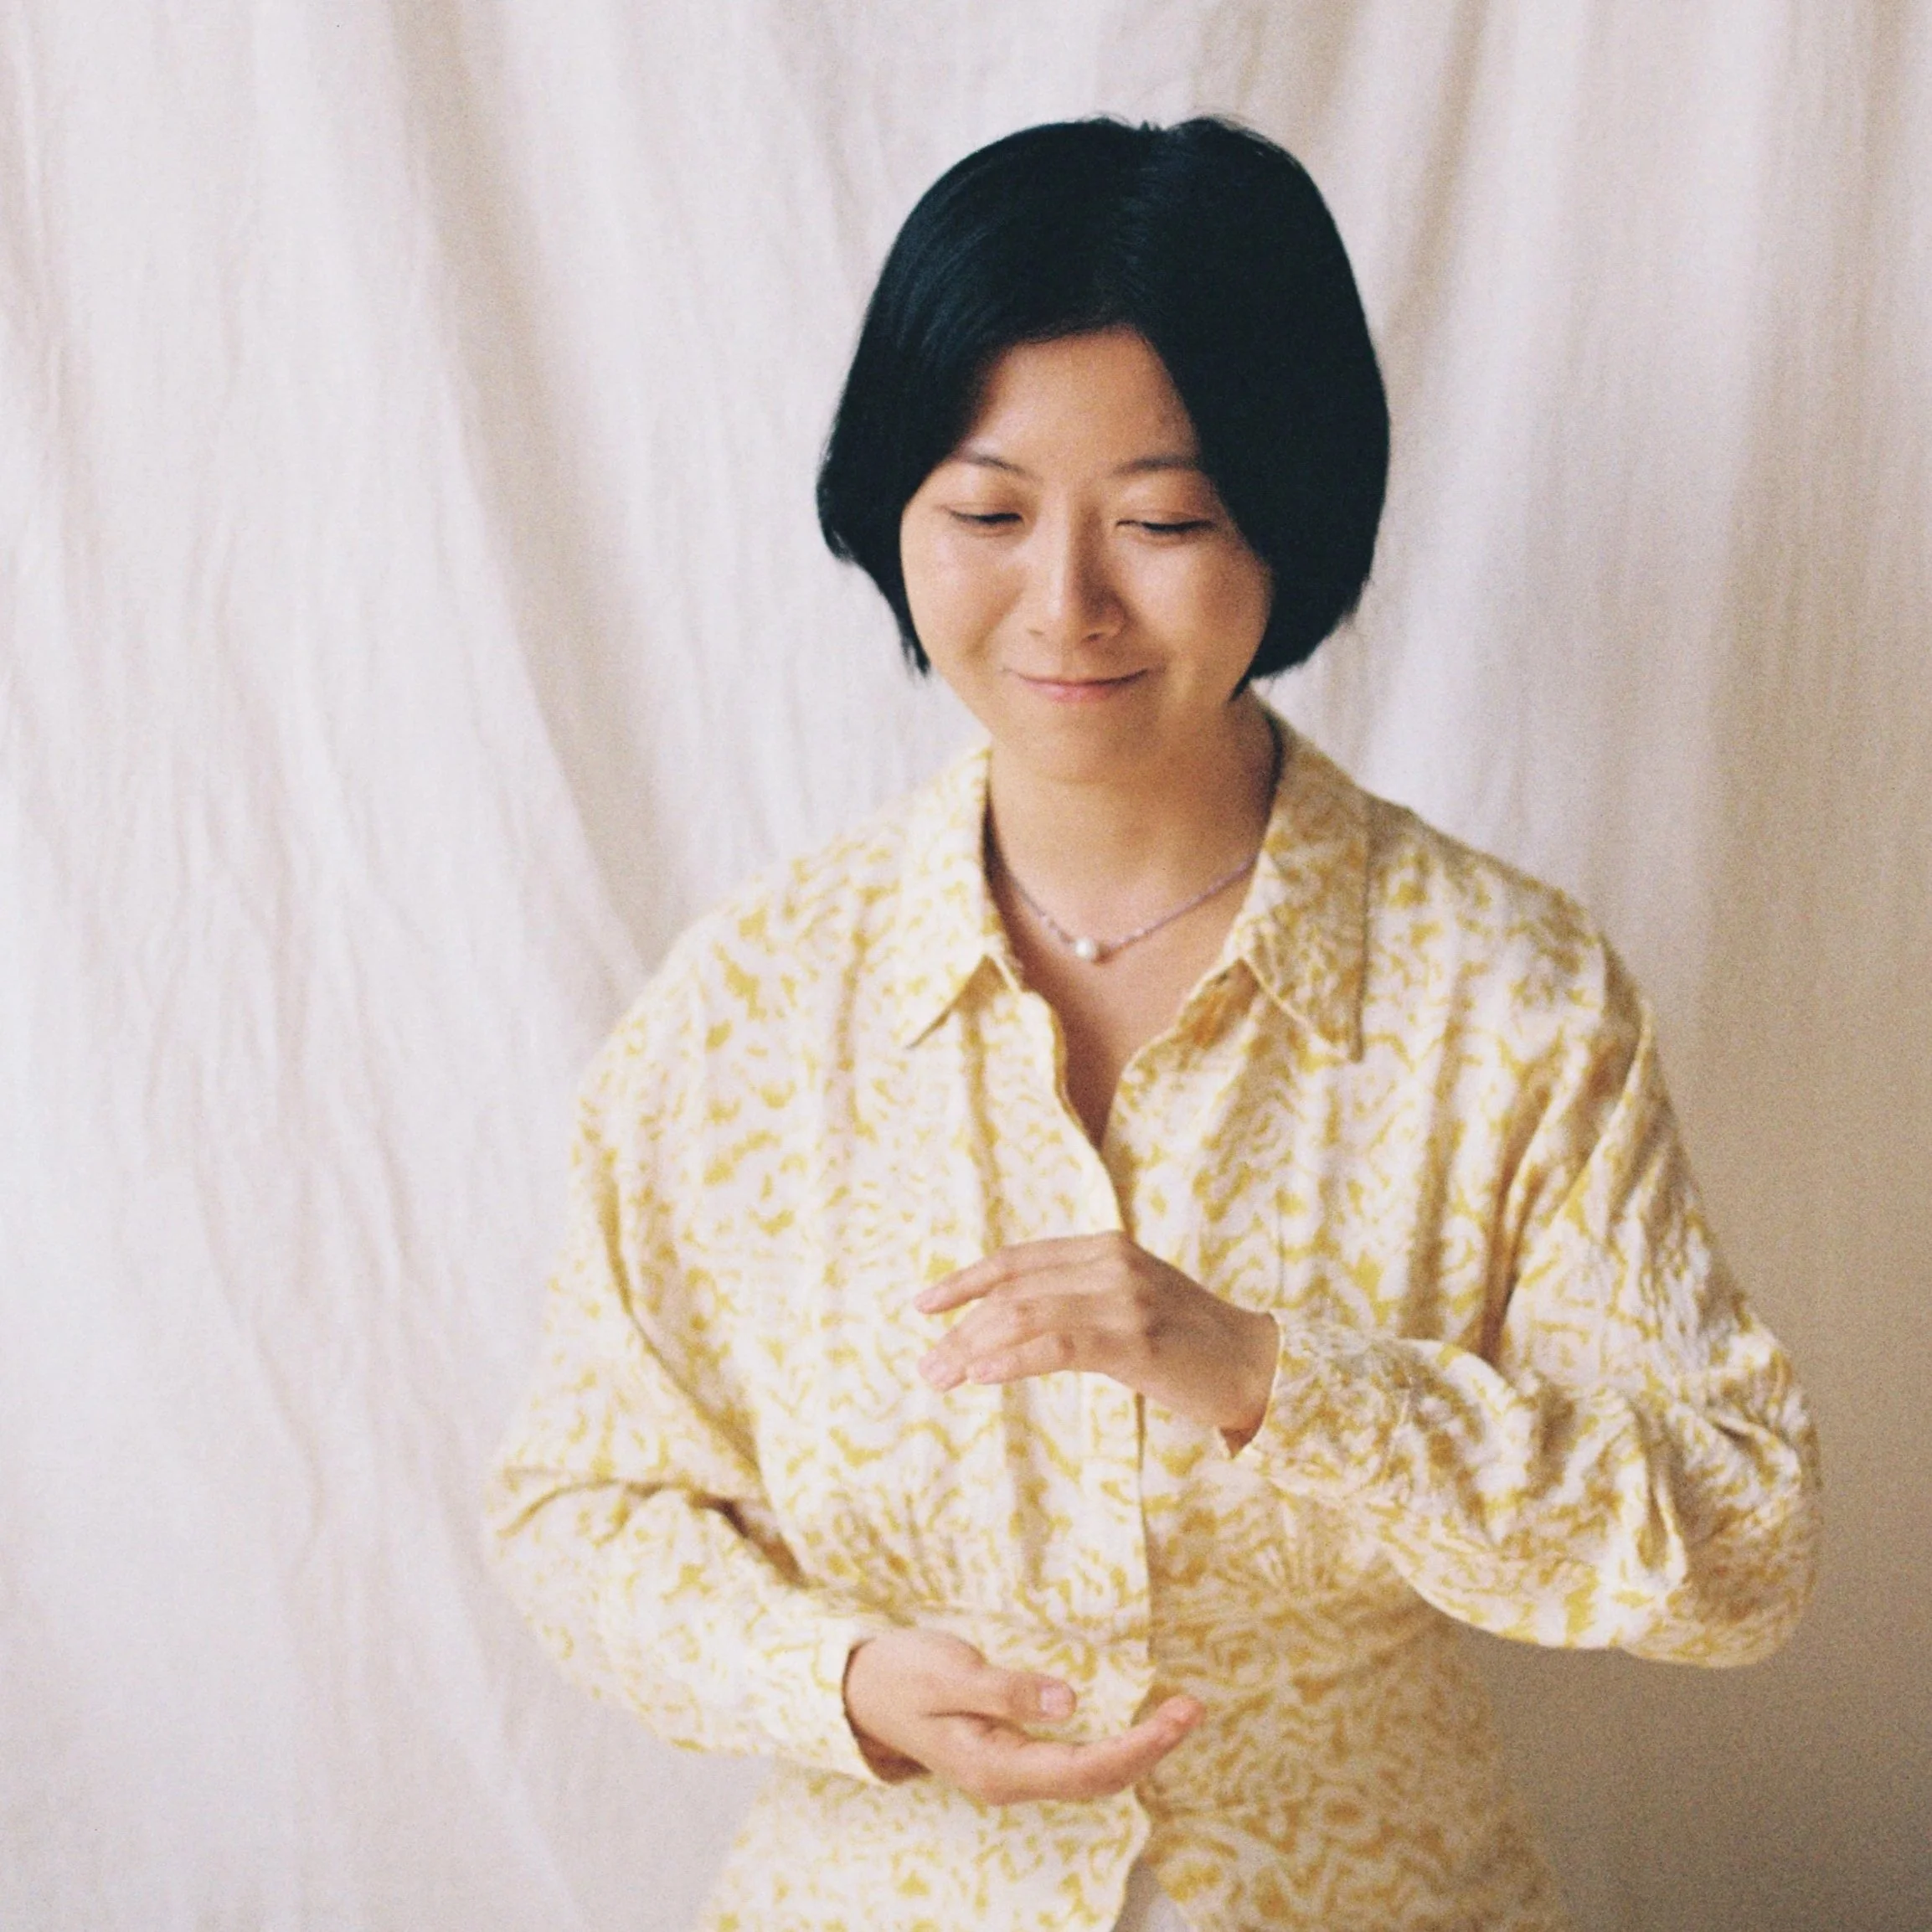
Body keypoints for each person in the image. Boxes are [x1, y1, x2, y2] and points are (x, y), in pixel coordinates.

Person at [485, 117, 1818, 1932]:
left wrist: (1278, 1377)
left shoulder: (1502, 994)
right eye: (986, 511)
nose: (1065, 603)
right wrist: (846, 1681)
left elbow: (1737, 1541)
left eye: (1164, 519)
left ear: (1291, 511)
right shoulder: (749, 1007)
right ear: (894, 509)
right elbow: (582, 1509)